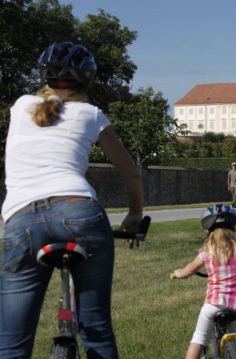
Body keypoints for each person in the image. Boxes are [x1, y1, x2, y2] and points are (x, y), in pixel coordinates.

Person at [0, 42, 144, 359]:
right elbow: (131, 174)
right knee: (96, 330)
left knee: (11, 342)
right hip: (79, 211)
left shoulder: (21, 105)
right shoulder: (91, 114)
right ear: (88, 80)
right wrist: (135, 215)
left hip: (21, 218)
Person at [171, 204, 236, 359]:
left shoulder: (206, 253)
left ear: (209, 232)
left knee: (199, 338)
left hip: (213, 305)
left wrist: (179, 274)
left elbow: (189, 270)